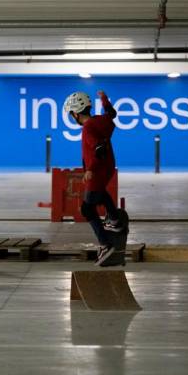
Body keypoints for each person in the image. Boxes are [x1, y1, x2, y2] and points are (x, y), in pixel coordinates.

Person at [64, 90, 123, 266]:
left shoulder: (88, 129)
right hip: (107, 168)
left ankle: (105, 244)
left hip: (96, 172)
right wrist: (104, 99)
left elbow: (99, 149)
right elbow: (112, 113)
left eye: (71, 114)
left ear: (75, 113)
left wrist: (89, 169)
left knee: (87, 209)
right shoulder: (100, 120)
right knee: (101, 193)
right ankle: (114, 218)